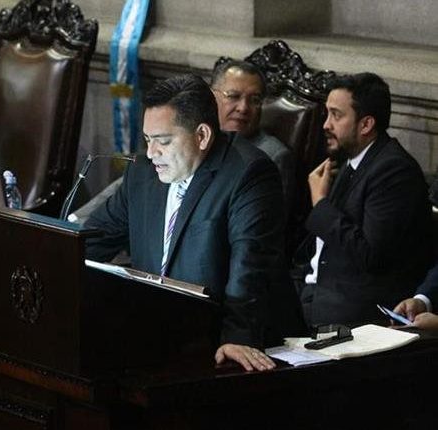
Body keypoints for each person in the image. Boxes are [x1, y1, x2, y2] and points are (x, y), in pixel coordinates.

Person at [85, 74, 299, 372]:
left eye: (163, 141)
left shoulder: (249, 173)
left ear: (202, 136)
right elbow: (91, 239)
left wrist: (238, 336)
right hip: (160, 335)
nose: (151, 153)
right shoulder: (143, 173)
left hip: (228, 342)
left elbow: (251, 265)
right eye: (148, 140)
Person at [292, 72, 432, 327]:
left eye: (336, 115)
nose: (325, 124)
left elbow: (369, 255)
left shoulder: (394, 172)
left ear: (366, 125)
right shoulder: (352, 160)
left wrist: (321, 204)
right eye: (327, 114)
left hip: (351, 314)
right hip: (313, 294)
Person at [211, 60, 295, 210]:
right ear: (212, 97)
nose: (243, 108)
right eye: (234, 96)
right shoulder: (195, 138)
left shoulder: (272, 156)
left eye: (254, 100)